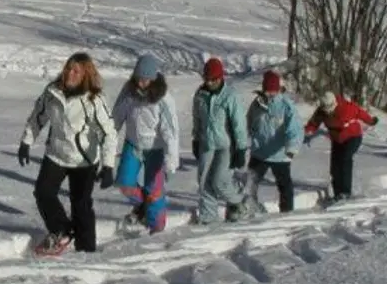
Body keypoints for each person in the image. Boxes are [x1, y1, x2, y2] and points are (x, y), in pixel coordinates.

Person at [18, 52, 118, 255]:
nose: (70, 74)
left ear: (85, 75)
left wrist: (108, 165)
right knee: (43, 193)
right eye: (68, 68)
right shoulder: (52, 92)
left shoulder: (93, 99)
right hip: (56, 154)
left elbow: (109, 133)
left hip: (84, 160)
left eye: (76, 71)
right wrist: (27, 141)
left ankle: (87, 250)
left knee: (81, 205)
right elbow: (38, 117)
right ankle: (62, 230)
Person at [113, 53, 181, 233]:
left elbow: (171, 131)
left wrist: (171, 159)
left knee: (154, 191)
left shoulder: (163, 98)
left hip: (156, 149)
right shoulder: (128, 91)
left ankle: (156, 227)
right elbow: (117, 116)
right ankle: (143, 206)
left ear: (153, 78)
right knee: (125, 183)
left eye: (145, 79)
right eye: (138, 78)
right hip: (133, 144)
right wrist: (108, 141)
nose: (141, 83)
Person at [191, 58, 248, 224]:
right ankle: (209, 216)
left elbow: (239, 124)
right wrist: (195, 139)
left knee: (219, 180)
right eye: (207, 79)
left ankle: (238, 201)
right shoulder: (200, 95)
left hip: (226, 146)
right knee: (204, 180)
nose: (210, 83)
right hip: (206, 143)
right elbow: (196, 119)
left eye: (213, 80)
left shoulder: (230, 96)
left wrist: (241, 148)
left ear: (221, 78)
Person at [245, 69, 303, 213]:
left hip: (280, 154)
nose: (271, 94)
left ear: (278, 90)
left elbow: (295, 128)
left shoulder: (286, 105)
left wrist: (292, 148)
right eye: (268, 91)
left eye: (274, 91)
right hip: (259, 152)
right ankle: (251, 209)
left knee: (284, 186)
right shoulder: (256, 104)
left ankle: (287, 211)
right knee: (250, 183)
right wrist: (247, 138)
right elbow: (249, 121)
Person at [304, 91, 379, 201]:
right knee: (335, 167)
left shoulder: (346, 107)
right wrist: (304, 132)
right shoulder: (321, 111)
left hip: (353, 136)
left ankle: (345, 192)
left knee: (345, 160)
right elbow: (313, 124)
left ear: (334, 103)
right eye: (325, 107)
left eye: (329, 106)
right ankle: (338, 194)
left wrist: (371, 121)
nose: (327, 110)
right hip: (337, 139)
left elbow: (360, 113)